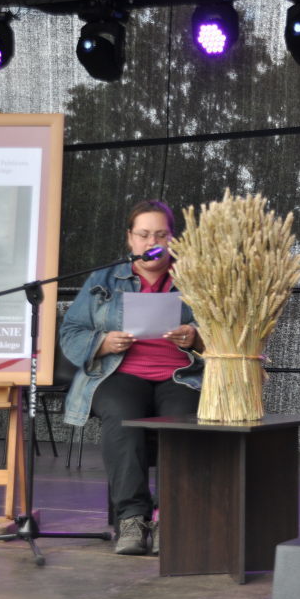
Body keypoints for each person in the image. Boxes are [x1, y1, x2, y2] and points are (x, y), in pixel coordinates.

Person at [60, 200, 204, 555]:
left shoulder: (197, 277)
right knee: (122, 418)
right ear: (130, 239)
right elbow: (71, 332)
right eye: (143, 234)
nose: (151, 241)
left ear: (172, 239)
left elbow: (226, 328)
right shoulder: (104, 279)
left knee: (182, 420)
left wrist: (196, 337)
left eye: (161, 234)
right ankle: (132, 518)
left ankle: (172, 518)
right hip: (119, 372)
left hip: (181, 375)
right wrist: (102, 342)